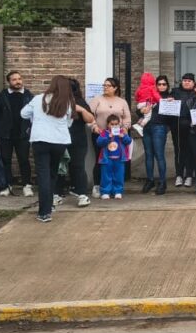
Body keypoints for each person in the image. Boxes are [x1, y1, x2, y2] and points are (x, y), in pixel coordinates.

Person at [22, 75, 88, 222]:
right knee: (52, 173)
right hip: (59, 141)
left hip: (40, 140)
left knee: (43, 174)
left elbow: (23, 113)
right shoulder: (68, 103)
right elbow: (69, 124)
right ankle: (49, 204)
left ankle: (44, 212)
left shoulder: (38, 98)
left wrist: (36, 117)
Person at [0, 71, 34, 197]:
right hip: (5, 135)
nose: (18, 81)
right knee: (5, 160)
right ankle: (6, 185)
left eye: (19, 78)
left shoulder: (29, 96)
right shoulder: (1, 96)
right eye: (14, 79)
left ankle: (27, 185)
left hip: (23, 134)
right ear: (9, 82)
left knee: (24, 160)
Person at [88, 77, 131, 197]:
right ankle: (98, 186)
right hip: (101, 134)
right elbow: (89, 115)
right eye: (104, 85)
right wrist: (94, 127)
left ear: (115, 88)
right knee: (100, 159)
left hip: (118, 136)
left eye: (108, 86)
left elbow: (127, 117)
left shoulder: (122, 102)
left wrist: (126, 128)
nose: (105, 87)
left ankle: (116, 188)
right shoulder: (97, 100)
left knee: (117, 161)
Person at [60, 78, 95, 207]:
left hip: (77, 140)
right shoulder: (56, 102)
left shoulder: (79, 101)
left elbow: (90, 119)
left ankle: (82, 194)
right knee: (60, 168)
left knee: (78, 166)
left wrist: (82, 110)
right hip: (59, 139)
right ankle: (57, 193)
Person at [140, 75, 171, 194]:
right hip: (146, 127)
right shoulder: (149, 94)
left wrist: (166, 127)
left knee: (159, 155)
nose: (161, 86)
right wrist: (140, 112)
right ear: (155, 85)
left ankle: (162, 182)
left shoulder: (169, 97)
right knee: (148, 155)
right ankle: (150, 180)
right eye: (159, 84)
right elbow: (140, 109)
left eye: (164, 84)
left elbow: (172, 115)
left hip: (159, 127)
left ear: (167, 85)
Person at [168, 73, 196, 187]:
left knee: (191, 151)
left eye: (189, 81)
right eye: (184, 80)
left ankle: (189, 175)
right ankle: (179, 175)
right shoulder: (175, 92)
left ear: (193, 83)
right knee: (179, 151)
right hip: (177, 126)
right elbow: (167, 106)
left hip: (192, 126)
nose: (186, 82)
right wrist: (168, 100)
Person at [96, 114, 132, 200]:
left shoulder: (122, 132)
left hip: (119, 159)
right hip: (106, 159)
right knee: (106, 176)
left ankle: (118, 192)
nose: (114, 126)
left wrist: (123, 137)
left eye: (116, 124)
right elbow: (99, 142)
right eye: (112, 124)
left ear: (119, 124)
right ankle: (105, 192)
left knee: (119, 176)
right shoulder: (104, 133)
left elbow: (128, 141)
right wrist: (108, 137)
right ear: (108, 125)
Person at [132, 72, 161, 139]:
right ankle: (141, 127)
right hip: (147, 104)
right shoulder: (152, 88)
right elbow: (156, 95)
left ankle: (138, 124)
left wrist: (139, 101)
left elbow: (136, 96)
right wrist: (160, 100)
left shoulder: (140, 88)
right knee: (148, 117)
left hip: (140, 104)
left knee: (144, 117)